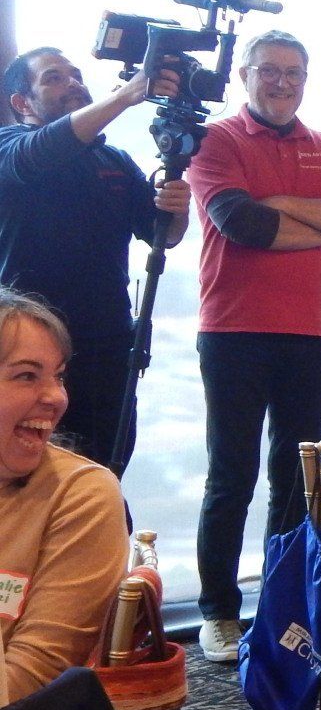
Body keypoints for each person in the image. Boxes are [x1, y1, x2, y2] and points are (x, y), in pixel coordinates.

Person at [185, 30, 321, 663]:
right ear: (245, 75)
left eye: (293, 72)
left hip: (310, 335)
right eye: (269, 70)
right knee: (231, 475)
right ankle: (218, 611)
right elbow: (241, 223)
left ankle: (280, 605)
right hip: (233, 331)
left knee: (296, 479)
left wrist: (285, 208)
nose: (282, 82)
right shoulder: (217, 141)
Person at [0, 49, 190, 470]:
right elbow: (39, 152)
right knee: (27, 468)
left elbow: (163, 234)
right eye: (53, 78)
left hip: (107, 346)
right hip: (29, 346)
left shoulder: (113, 160)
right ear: (22, 102)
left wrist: (177, 208)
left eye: (76, 75)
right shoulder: (9, 146)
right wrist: (125, 96)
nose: (72, 83)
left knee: (103, 466)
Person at [0, 289, 129, 707]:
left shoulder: (81, 495)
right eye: (27, 376)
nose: (56, 397)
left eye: (57, 376)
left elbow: (31, 688)